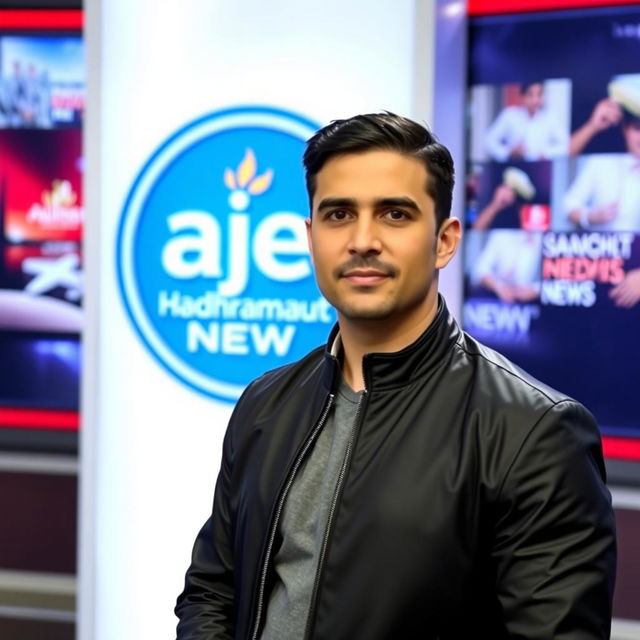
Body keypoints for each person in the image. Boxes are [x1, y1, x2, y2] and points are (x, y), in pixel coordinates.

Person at [176, 112, 616, 639]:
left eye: (394, 215)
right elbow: (212, 591)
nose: (363, 240)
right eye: (339, 215)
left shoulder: (533, 432)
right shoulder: (266, 403)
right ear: (311, 237)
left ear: (445, 241)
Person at [564, 110, 640, 231]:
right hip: (603, 247)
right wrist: (593, 217)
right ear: (626, 129)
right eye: (637, 129)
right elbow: (568, 207)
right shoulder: (599, 163)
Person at [484, 82, 568, 162]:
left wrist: (546, 153)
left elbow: (566, 146)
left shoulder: (550, 118)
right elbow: (488, 142)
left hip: (542, 168)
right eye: (530, 95)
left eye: (539, 95)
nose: (535, 100)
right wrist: (508, 152)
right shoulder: (509, 115)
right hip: (514, 167)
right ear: (522, 97)